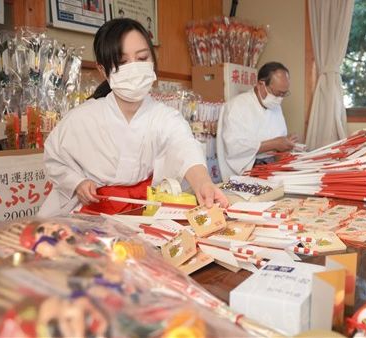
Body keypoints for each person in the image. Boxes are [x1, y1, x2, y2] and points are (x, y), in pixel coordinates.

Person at [38, 18, 228, 217]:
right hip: (86, 218)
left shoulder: (165, 117)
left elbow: (184, 147)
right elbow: (54, 157)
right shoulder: (82, 118)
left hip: (141, 215)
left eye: (142, 58)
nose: (134, 68)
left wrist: (204, 183)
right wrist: (76, 183)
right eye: (122, 62)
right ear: (103, 70)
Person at [217, 62, 298, 180]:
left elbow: (280, 141)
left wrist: (286, 143)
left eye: (284, 94)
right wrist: (275, 143)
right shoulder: (237, 105)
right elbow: (234, 148)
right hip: (247, 172)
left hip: (273, 169)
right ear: (261, 84)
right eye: (277, 93)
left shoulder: (276, 107)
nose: (280, 99)